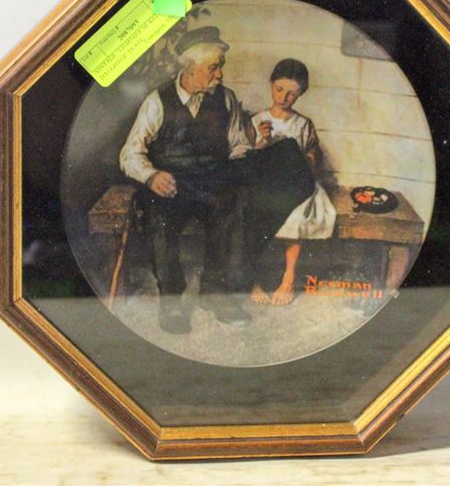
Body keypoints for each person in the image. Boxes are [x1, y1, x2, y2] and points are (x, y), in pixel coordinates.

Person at [119, 28, 315, 334]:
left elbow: (238, 146)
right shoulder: (157, 101)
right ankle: (171, 300)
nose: (220, 74)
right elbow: (130, 153)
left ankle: (214, 292)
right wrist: (152, 175)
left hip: (214, 180)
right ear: (191, 67)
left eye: (220, 66)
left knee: (270, 173)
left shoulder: (226, 98)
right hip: (171, 186)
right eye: (214, 67)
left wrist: (242, 165)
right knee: (159, 219)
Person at [247, 58, 336, 306]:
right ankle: (253, 280)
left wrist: (297, 156)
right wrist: (262, 142)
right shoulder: (256, 121)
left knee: (296, 213)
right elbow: (246, 160)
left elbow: (312, 164)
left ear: (300, 95)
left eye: (292, 94)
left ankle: (288, 278)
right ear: (271, 85)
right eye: (279, 89)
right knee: (252, 211)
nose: (283, 97)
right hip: (264, 183)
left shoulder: (303, 125)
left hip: (294, 186)